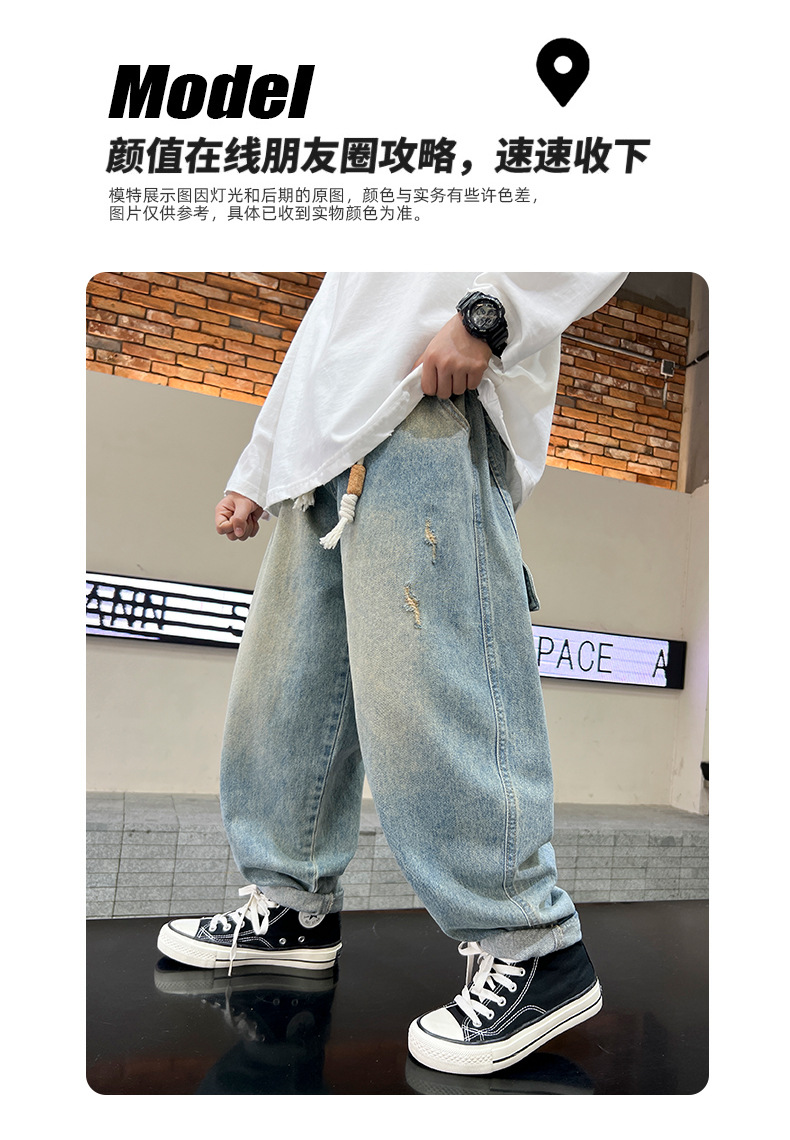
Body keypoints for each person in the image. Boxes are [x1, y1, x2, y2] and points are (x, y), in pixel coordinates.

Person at [157, 271, 627, 1076]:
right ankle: (294, 910)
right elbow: (330, 321)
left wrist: (491, 316)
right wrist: (259, 464)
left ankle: (534, 944)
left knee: (428, 691)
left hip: (428, 403)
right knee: (285, 694)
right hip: (321, 450)